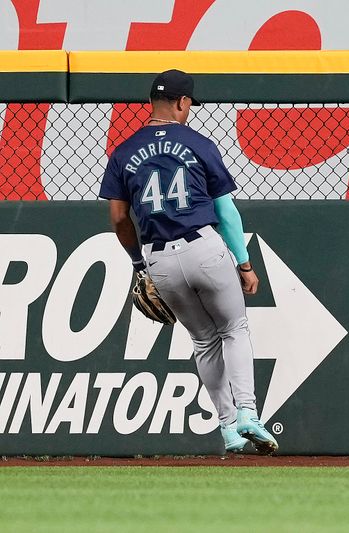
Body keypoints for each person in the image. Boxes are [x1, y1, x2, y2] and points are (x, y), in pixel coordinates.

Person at [99, 69, 278, 455]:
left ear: (151, 102)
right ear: (182, 103)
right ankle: (248, 413)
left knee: (203, 341)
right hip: (203, 247)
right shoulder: (198, 143)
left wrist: (138, 264)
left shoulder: (124, 151)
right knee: (233, 328)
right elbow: (226, 212)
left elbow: (117, 217)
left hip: (158, 258)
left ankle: (228, 428)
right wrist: (245, 264)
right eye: (189, 104)